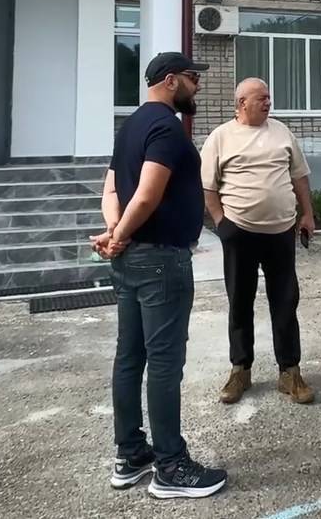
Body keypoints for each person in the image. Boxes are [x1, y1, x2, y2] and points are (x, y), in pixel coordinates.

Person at [92, 52, 227, 500]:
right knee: (165, 364)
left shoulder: (131, 125)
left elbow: (111, 188)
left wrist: (115, 233)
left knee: (130, 357)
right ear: (171, 81)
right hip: (160, 261)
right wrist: (120, 234)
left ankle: (130, 455)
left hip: (131, 260)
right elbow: (147, 195)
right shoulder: (167, 127)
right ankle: (171, 466)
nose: (197, 85)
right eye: (192, 77)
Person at [201, 77, 317, 406]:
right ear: (242, 103)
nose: (268, 102)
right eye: (261, 98)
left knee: (285, 301)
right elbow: (208, 187)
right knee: (240, 301)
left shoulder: (282, 132)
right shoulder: (221, 137)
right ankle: (241, 369)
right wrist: (221, 223)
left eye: (269, 97)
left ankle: (289, 372)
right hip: (239, 232)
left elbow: (299, 176)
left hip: (281, 232)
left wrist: (307, 214)